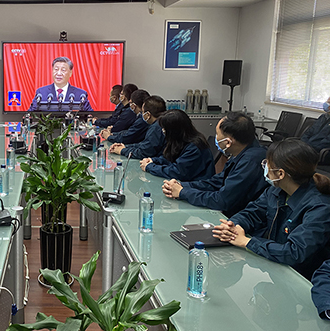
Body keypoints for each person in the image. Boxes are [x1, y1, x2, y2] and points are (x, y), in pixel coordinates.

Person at [213, 139, 330, 279]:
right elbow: (253, 212)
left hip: (302, 278)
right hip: (275, 265)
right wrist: (234, 225)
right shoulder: (276, 191)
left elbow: (295, 252)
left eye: (266, 163)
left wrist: (247, 242)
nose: (265, 167)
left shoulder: (320, 207)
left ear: (280, 174)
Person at [162, 111, 268, 217]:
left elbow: (222, 201)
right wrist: (183, 186)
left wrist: (183, 193)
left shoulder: (250, 162)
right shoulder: (241, 153)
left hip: (238, 220)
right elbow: (217, 182)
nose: (215, 138)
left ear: (228, 142)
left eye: (217, 134)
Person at [140, 109, 215, 181]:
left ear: (174, 131)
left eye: (165, 129)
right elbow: (170, 158)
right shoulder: (180, 141)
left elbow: (177, 172)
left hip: (195, 187)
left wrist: (149, 167)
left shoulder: (195, 147)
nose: (163, 131)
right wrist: (154, 160)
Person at [28, 57, 93, 111]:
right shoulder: (41, 92)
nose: (58, 73)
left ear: (70, 73)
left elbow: (90, 116)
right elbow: (30, 114)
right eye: (56, 69)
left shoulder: (80, 94)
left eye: (63, 70)